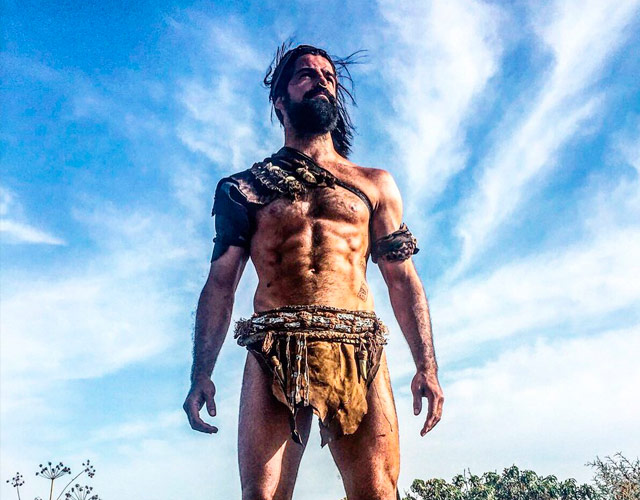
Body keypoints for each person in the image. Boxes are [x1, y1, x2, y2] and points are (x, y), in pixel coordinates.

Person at [183, 44, 444, 500]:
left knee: (378, 493)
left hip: (358, 345)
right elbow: (221, 283)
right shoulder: (245, 188)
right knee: (262, 496)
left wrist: (427, 366)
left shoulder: (374, 183)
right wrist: (200, 373)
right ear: (279, 101)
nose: (321, 80)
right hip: (274, 346)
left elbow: (402, 278)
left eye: (328, 76)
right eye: (305, 74)